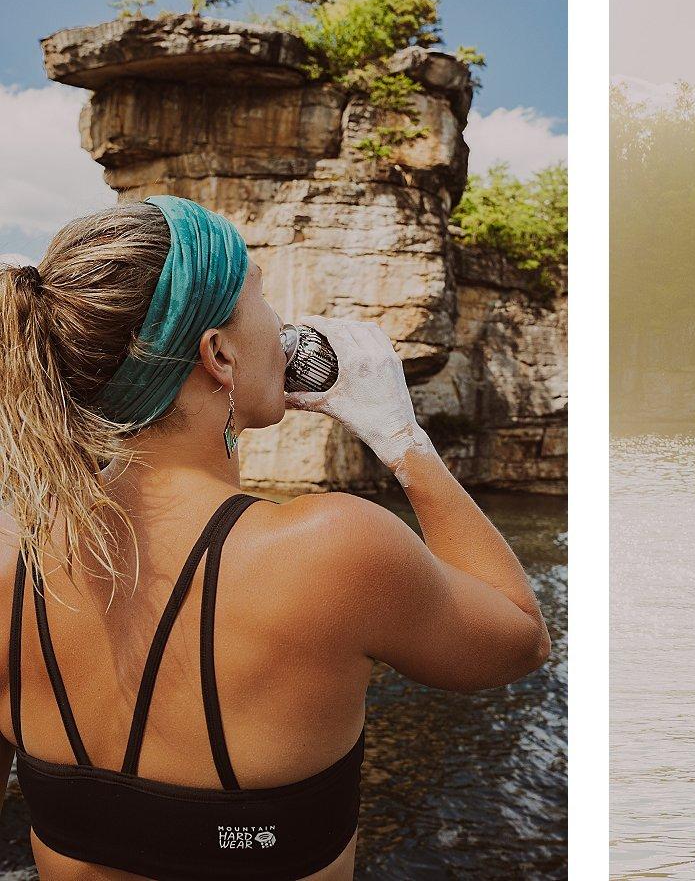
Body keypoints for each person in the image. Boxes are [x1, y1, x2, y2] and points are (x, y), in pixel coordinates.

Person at [0, 197, 550, 879]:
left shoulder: (12, 560)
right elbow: (519, 638)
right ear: (219, 354)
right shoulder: (332, 548)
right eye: (260, 296)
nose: (281, 325)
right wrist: (403, 439)